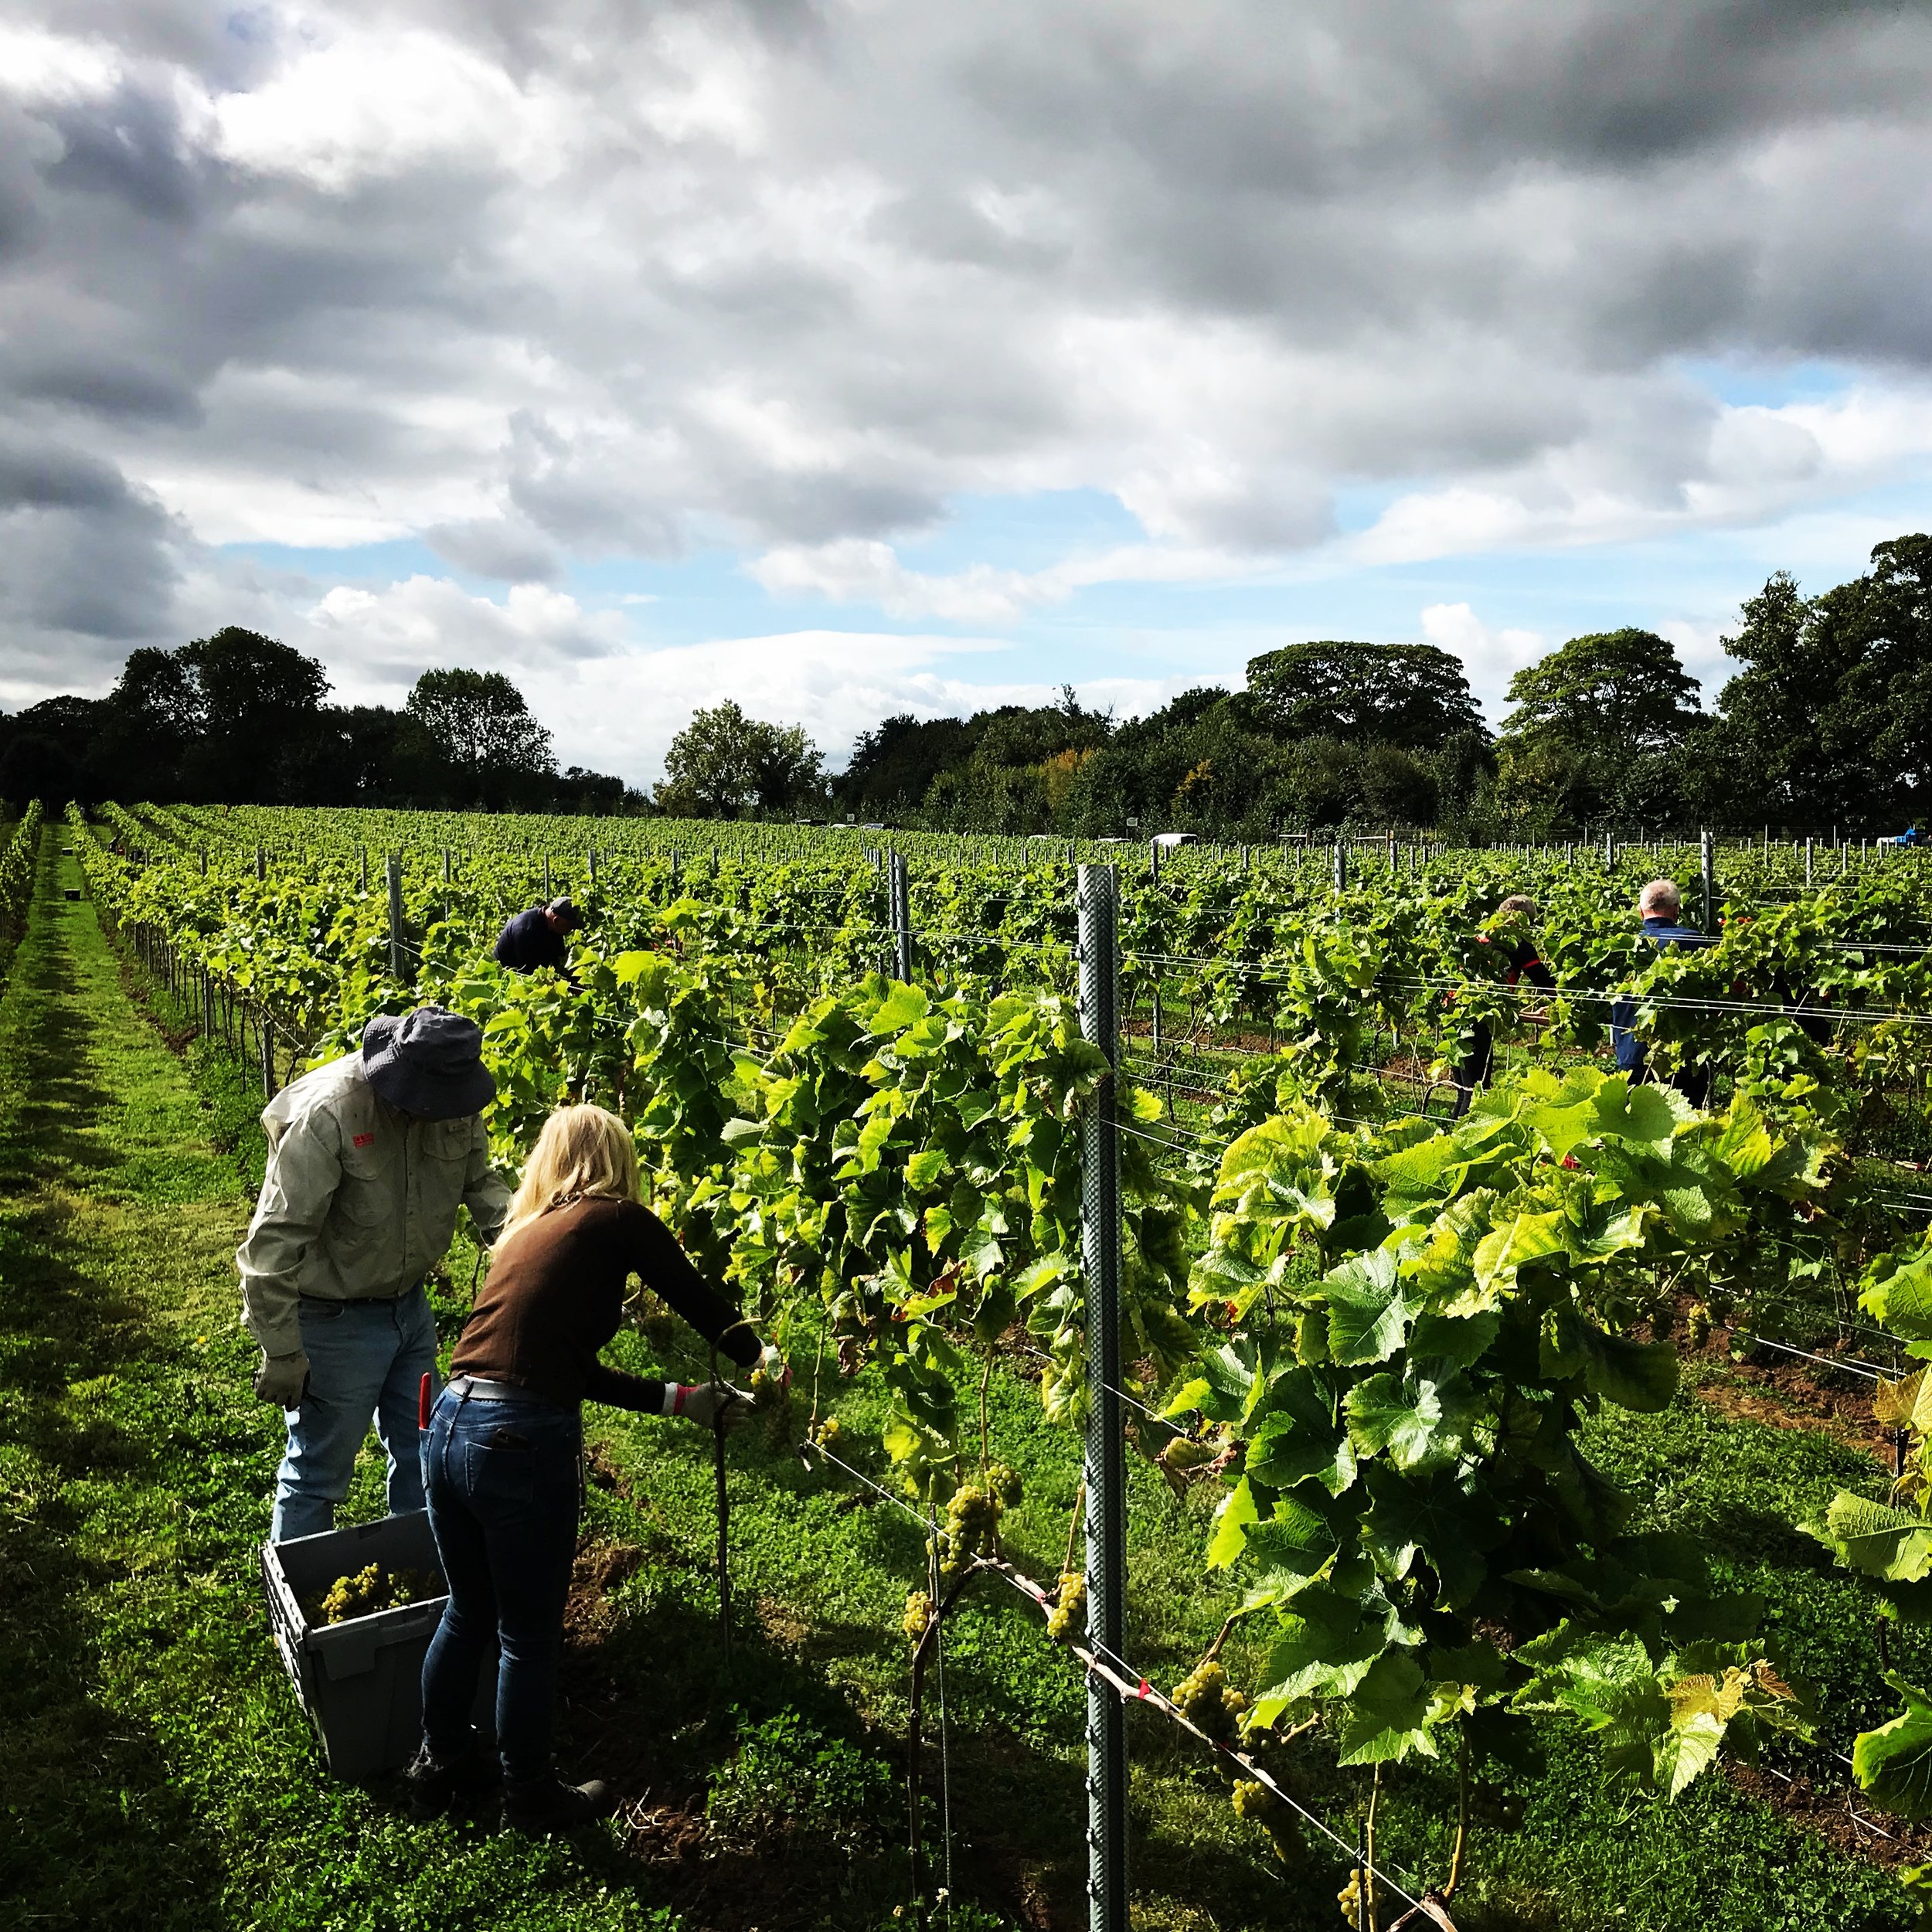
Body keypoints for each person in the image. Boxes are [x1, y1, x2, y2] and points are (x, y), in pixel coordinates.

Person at [408, 1104, 786, 1831]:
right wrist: (761, 1358)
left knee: (469, 1610)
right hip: (514, 1443)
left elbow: (561, 1366)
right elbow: (694, 1296)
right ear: (616, 1159)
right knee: (526, 1632)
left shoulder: (527, 1236)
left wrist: (675, 1399)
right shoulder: (615, 1218)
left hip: (451, 1424)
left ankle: (440, 1763)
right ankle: (529, 1797)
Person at [238, 1006, 512, 1542]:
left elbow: (484, 1187)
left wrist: (533, 1245)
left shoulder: (454, 1099)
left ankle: (417, 1579)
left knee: (424, 1455)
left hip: (410, 1309)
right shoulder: (330, 1115)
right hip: (333, 1320)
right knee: (318, 1472)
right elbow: (272, 1245)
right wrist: (283, 1351)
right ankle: (300, 1610)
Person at [1611, 878, 1715, 1107]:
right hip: (1681, 1061)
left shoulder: (1621, 946)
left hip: (1632, 1056)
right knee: (1684, 1132)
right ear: (1676, 910)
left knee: (1633, 1134)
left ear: (1640, 911)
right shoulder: (1693, 942)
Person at [1451, 894, 1556, 1117]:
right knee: (1476, 1094)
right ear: (1524, 921)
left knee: (1464, 1091)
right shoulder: (1519, 945)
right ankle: (1461, 1145)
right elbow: (1544, 983)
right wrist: (1570, 1003)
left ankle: (1449, 1139)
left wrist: (1531, 1015)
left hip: (1455, 1016)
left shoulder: (1480, 937)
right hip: (1479, 1022)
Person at [494, 897, 582, 979]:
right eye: (570, 926)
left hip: (530, 968)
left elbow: (559, 961)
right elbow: (529, 974)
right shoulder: (526, 931)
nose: (571, 930)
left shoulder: (553, 926)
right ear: (556, 920)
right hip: (507, 976)